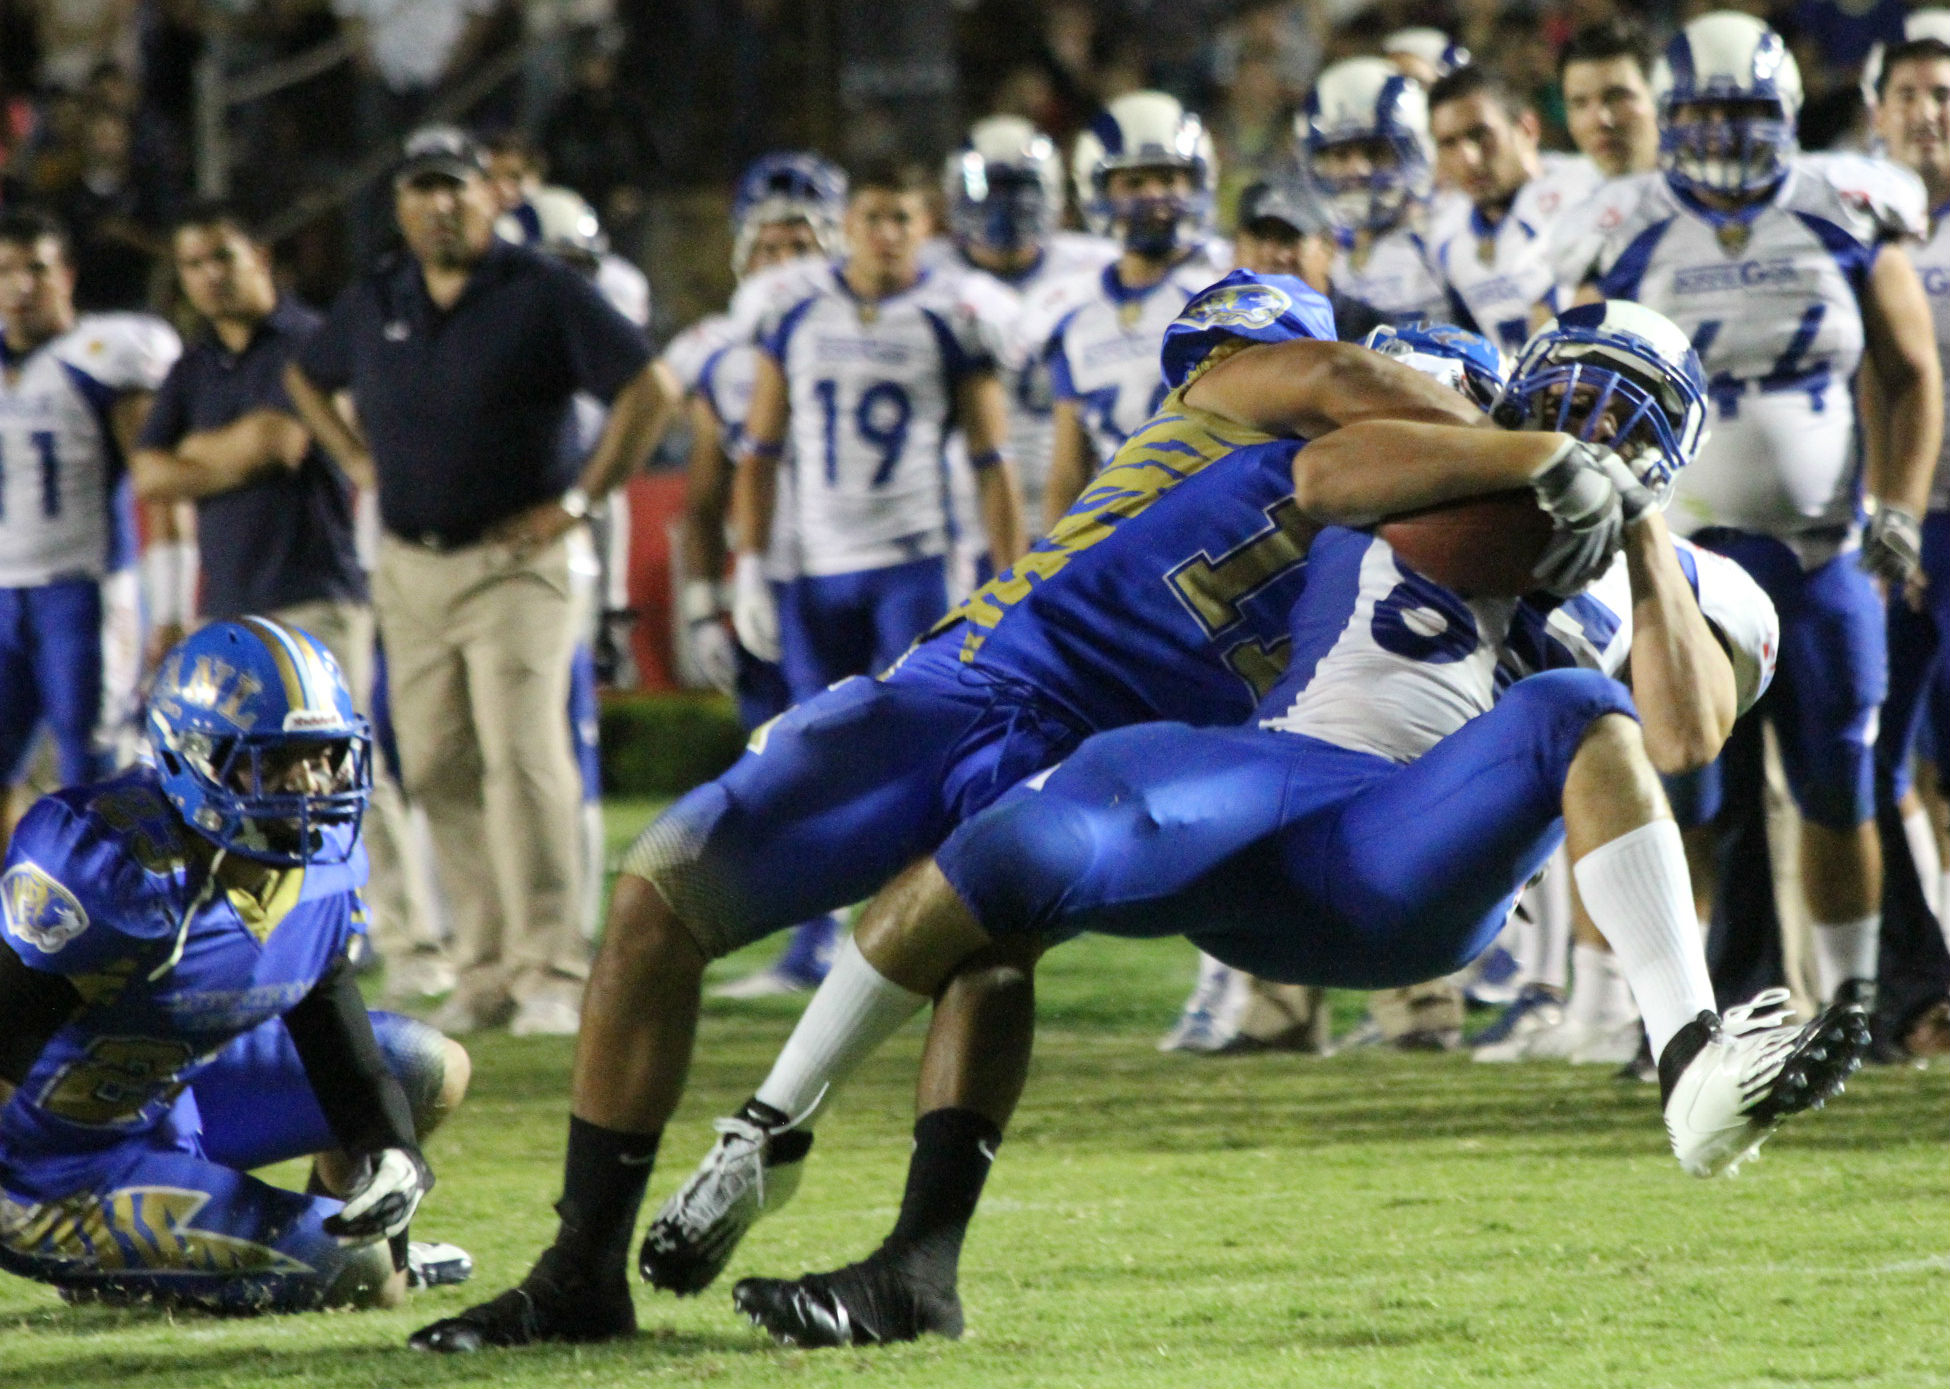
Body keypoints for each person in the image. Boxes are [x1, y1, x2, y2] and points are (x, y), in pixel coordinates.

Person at [721, 302, 1868, 1350]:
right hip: (1271, 793)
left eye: (1627, 415)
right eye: (1573, 393)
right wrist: (1534, 459)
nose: (1593, 421)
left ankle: (1692, 1065)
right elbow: (1323, 477)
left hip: (1411, 862)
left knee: (1575, 707)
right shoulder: (1452, 447)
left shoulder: (1709, 579)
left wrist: (1643, 540)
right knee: (1033, 838)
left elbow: (1682, 738)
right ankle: (820, 1181)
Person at [405, 273, 1495, 1355]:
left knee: (989, 956)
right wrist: (1530, 448)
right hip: (978, 684)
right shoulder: (1275, 388)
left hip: (1097, 750)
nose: (1198, 378)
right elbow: (1347, 375)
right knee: (665, 887)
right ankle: (580, 1267)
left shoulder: (1411, 526)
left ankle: (918, 1267)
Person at [1555, 12, 1942, 1016]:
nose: (1725, 135)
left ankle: (1852, 1008)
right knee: (1680, 796)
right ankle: (1680, 1013)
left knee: (1840, 786)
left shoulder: (1845, 206)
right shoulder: (1624, 225)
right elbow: (1581, 380)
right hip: (1678, 563)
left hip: (1823, 556)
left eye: (1744, 113)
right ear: (1674, 118)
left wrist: (1898, 504)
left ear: (1782, 114)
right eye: (1707, 114)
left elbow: (1912, 375)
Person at [282, 127, 675, 1037]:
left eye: (455, 187)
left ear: (488, 196)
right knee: (439, 763)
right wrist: (350, 454)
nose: (440, 205)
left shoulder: (542, 289)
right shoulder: (379, 294)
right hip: (411, 565)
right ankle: (486, 967)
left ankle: (552, 967)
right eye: (422, 189)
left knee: (526, 757)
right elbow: (304, 376)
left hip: (515, 564)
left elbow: (650, 388)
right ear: (401, 205)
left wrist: (580, 501)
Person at [0, 618, 472, 1310]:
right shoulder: (115, 868)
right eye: (279, 759)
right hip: (50, 1166)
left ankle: (337, 1241)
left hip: (169, 1099)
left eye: (325, 755)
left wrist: (394, 1153)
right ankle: (315, 1263)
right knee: (368, 1275)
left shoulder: (317, 876)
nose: (313, 783)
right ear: (199, 758)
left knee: (430, 1068)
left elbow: (338, 1042)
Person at [128, 201, 451, 1007]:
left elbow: (289, 440)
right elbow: (149, 476)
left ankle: (415, 944)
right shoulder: (194, 366)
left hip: (316, 589)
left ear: (260, 255)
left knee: (346, 779)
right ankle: (270, 943)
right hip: (228, 603)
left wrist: (203, 455)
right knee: (233, 789)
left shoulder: (311, 342)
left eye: (223, 257)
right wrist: (235, 450)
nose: (209, 276)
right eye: (195, 263)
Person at [673, 153, 852, 999]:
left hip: (849, 576)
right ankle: (810, 943)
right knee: (778, 767)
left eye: (802, 241)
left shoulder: (872, 322)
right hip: (769, 581)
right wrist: (709, 600)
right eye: (771, 242)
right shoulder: (719, 347)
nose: (786, 258)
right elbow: (704, 494)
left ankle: (865, 939)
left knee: (850, 760)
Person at [0, 208, 178, 845]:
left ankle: (107, 925)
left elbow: (157, 484)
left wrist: (172, 599)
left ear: (67, 276)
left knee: (94, 772)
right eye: (5, 271)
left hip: (85, 590)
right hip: (2, 594)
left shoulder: (103, 356)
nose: (21, 286)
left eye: (37, 270)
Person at [1035, 90, 1231, 524]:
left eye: (1168, 178)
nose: (1154, 196)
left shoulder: (1227, 289)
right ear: (1099, 190)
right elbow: (1068, 469)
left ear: (1197, 181)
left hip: (1215, 522)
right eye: (1135, 182)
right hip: (1118, 535)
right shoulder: (1075, 316)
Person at [940, 115, 1116, 553]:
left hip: (1082, 497)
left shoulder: (1096, 265)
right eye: (992, 188)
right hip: (969, 515)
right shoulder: (928, 279)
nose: (1006, 205)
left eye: (1020, 188)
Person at [1425, 66, 1601, 358]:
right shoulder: (1446, 237)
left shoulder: (1588, 192)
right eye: (1449, 144)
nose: (1468, 158)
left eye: (1481, 135)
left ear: (1527, 129)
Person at [1298, 58, 1447, 332]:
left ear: (1416, 151)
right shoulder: (1320, 252)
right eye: (1341, 155)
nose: (1357, 170)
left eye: (1374, 152)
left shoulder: (1446, 232)